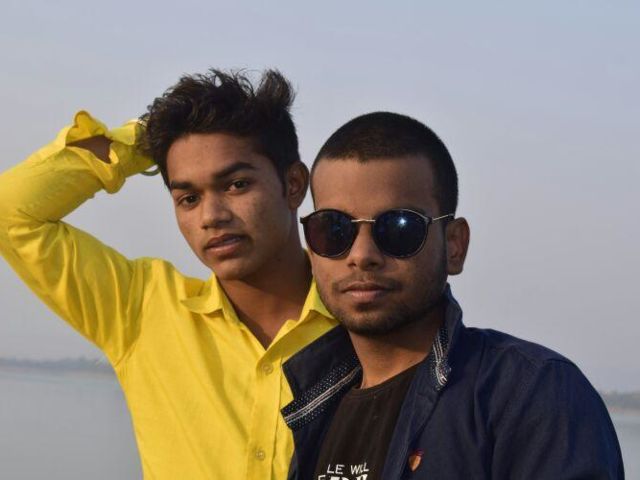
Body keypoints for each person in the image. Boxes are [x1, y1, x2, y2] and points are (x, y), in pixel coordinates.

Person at [0, 69, 336, 479]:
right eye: (188, 198)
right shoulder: (141, 310)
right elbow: (11, 211)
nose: (211, 216)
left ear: (294, 184)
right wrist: (148, 139)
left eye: (236, 184)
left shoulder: (363, 317)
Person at [282, 112, 624, 479]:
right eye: (333, 229)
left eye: (399, 228)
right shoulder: (315, 405)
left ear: (455, 245)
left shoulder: (531, 394)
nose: (362, 255)